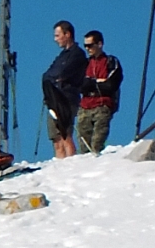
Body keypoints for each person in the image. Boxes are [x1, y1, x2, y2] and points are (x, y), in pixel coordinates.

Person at [43, 20, 88, 160]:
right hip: (54, 98)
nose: (55, 39)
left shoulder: (77, 54)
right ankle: (60, 165)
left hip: (67, 98)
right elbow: (48, 74)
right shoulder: (62, 56)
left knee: (65, 134)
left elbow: (62, 73)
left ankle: (70, 164)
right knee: (56, 138)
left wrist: (56, 78)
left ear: (67, 34)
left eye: (58, 35)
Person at [78, 30, 124, 155]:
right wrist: (97, 82)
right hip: (85, 107)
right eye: (85, 46)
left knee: (97, 145)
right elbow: (79, 84)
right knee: (84, 148)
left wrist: (92, 83)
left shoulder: (111, 61)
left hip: (103, 106)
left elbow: (111, 85)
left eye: (90, 45)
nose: (88, 49)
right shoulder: (85, 64)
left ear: (100, 44)